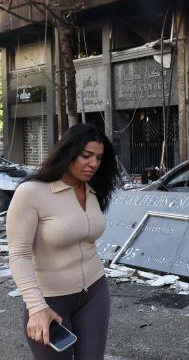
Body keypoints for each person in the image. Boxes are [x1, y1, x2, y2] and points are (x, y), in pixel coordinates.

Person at [7, 124, 120, 359]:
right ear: (67, 152)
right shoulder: (32, 192)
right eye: (86, 155)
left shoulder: (93, 189)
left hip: (95, 293)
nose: (93, 164)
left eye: (99, 158)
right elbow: (19, 254)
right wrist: (36, 307)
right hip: (50, 300)